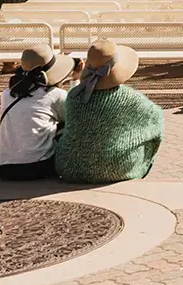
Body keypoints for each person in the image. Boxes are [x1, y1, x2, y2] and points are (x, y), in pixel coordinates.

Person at [55, 39, 164, 185]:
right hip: (118, 169)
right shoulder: (131, 98)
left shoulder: (74, 96)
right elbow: (156, 120)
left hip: (71, 168)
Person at [0, 45, 77, 179]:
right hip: (38, 166)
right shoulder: (55, 95)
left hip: (4, 168)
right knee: (65, 128)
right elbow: (74, 118)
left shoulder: (7, 94)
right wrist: (76, 80)